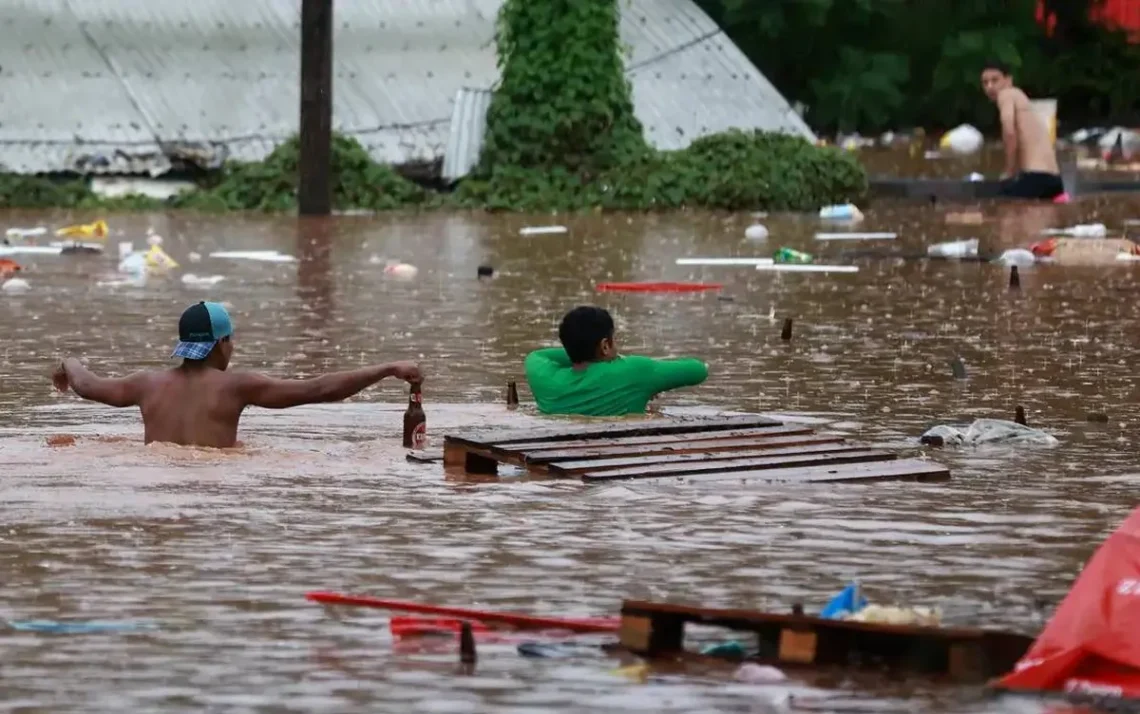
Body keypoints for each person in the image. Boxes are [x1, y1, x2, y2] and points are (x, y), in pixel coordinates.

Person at [51, 301, 423, 448]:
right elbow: (320, 390)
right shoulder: (236, 386)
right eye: (230, 341)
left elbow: (86, 385)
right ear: (221, 343)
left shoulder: (146, 384)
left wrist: (68, 362)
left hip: (155, 478)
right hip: (215, 484)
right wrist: (387, 368)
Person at [524, 305, 708, 416]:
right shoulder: (634, 371)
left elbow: (538, 355)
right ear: (605, 345)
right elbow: (699, 370)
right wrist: (622, 361)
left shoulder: (544, 377)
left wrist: (577, 351)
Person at [980, 60, 1063, 200]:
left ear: (1008, 80)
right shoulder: (1022, 100)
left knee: (996, 208)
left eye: (995, 80)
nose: (990, 87)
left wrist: (1009, 171)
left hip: (1036, 177)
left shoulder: (1006, 94)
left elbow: (1009, 132)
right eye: (985, 82)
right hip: (1054, 179)